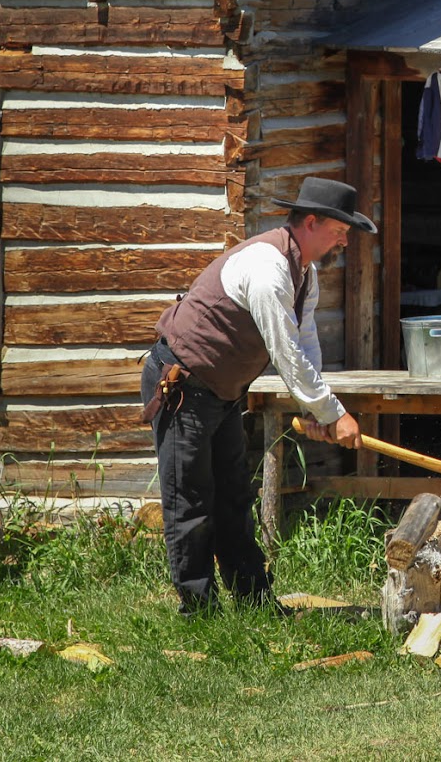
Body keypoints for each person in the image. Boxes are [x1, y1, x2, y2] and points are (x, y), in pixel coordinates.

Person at [140, 177, 373, 613]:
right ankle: (200, 612)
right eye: (339, 227)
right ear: (311, 221)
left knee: (233, 497)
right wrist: (334, 413)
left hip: (222, 393)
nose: (345, 237)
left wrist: (319, 413)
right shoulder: (268, 270)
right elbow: (286, 354)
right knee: (189, 501)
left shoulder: (305, 273)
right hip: (183, 387)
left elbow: (305, 346)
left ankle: (253, 601)